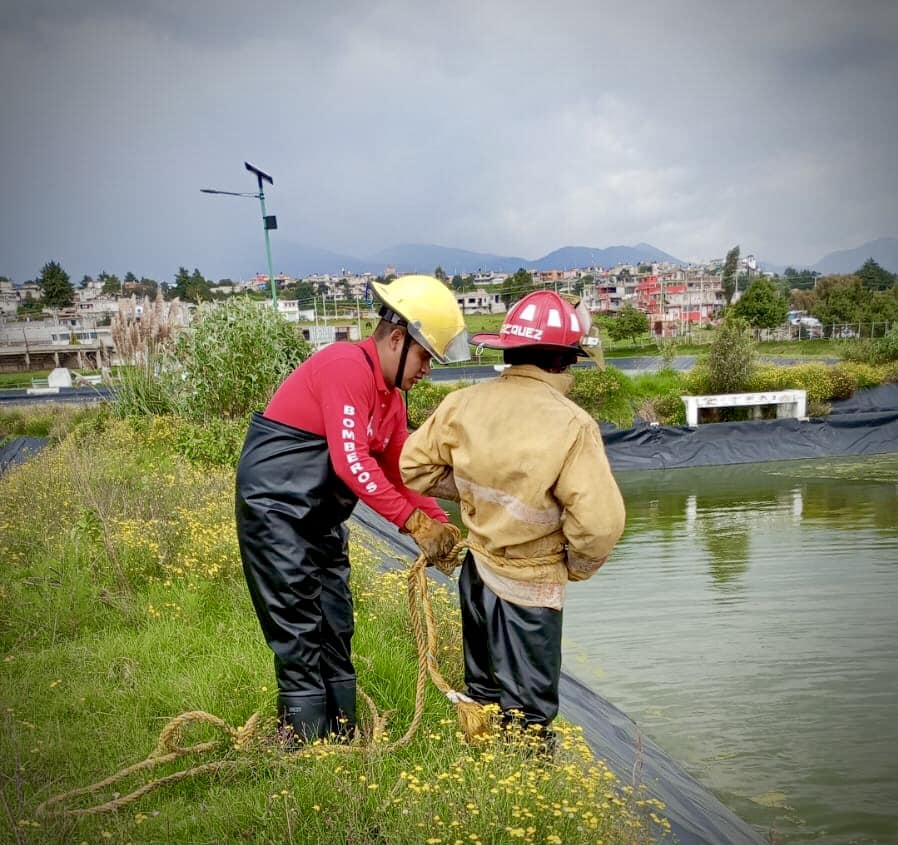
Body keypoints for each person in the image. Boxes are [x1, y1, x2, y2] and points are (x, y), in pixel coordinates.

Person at [235, 275, 469, 743]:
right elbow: (350, 463)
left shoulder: (390, 398)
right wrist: (411, 522)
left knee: (336, 624)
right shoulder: (345, 367)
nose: (427, 369)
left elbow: (402, 470)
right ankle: (303, 749)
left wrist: (441, 526)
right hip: (275, 509)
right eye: (425, 356)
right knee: (299, 627)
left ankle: (341, 739)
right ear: (398, 339)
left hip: (319, 517)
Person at [399, 289, 625, 745]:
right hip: (531, 583)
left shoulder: (462, 404)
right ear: (564, 361)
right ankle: (526, 796)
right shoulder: (571, 424)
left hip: (476, 573)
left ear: (511, 350)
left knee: (482, 689)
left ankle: (484, 779)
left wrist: (474, 498)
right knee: (530, 711)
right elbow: (600, 525)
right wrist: (576, 567)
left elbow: (414, 467)